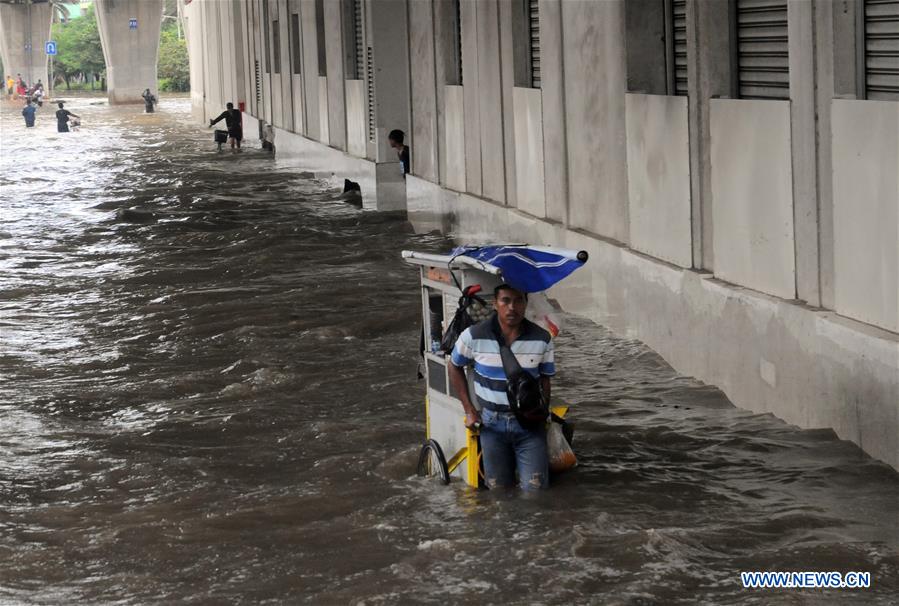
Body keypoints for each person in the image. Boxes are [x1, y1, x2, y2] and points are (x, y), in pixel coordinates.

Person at [448, 284, 555, 491]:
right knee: (498, 491)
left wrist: (544, 413)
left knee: (536, 491)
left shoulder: (542, 339)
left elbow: (545, 379)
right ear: (495, 304)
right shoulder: (474, 335)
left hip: (530, 426)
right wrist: (469, 410)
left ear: (525, 304)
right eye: (505, 301)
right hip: (491, 425)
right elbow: (454, 365)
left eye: (518, 301)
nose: (512, 307)